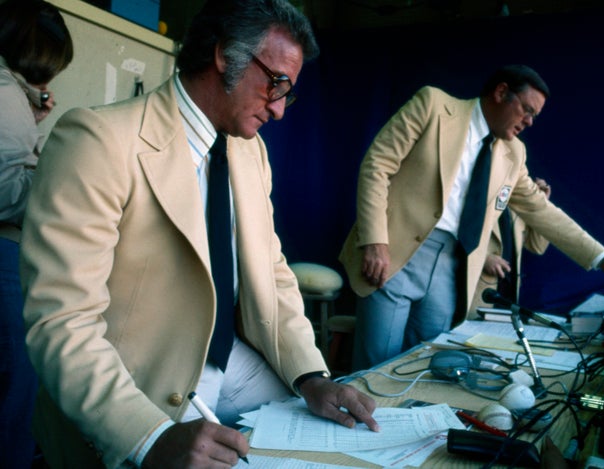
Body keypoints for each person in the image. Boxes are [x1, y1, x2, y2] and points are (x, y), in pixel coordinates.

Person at [19, 1, 378, 467]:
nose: (279, 110)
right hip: (137, 386)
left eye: (289, 93)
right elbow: (61, 323)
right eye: (276, 84)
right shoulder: (98, 140)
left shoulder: (251, 154)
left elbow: (272, 272)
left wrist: (311, 375)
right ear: (226, 55)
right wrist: (146, 437)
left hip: (227, 364)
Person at [339, 65, 604, 370]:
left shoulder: (514, 153)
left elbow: (542, 211)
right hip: (395, 254)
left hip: (453, 267)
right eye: (527, 110)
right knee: (375, 365)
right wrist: (375, 240)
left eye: (535, 116)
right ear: (501, 92)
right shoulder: (434, 105)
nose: (530, 122)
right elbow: (377, 166)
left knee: (423, 365)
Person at [0, 1, 73, 467]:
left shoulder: (11, 92)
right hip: (5, 253)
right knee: (17, 394)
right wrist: (55, 172)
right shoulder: (5, 92)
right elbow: (5, 192)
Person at [475, 177, 551, 306]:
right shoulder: (478, 190)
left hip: (508, 292)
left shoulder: (516, 205)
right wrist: (483, 258)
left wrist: (542, 203)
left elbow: (537, 246)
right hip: (479, 288)